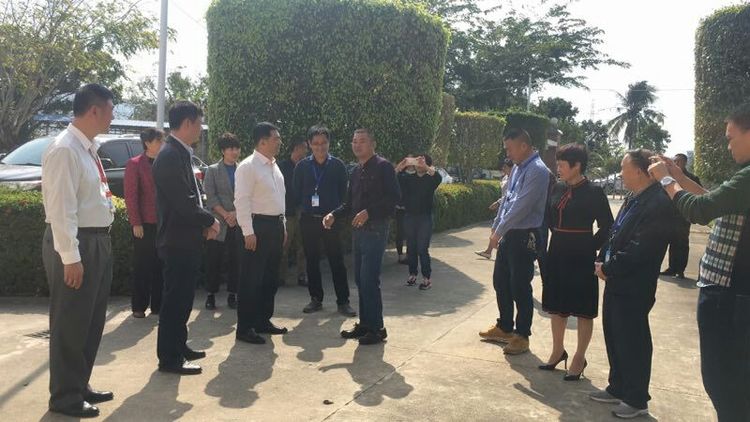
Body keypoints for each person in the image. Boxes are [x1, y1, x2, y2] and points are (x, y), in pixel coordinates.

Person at [648, 103, 750, 421]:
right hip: (731, 294)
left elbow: (699, 210)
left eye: (731, 137)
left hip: (728, 295)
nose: (728, 145)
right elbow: (712, 202)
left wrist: (666, 181)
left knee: (723, 381)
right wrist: (678, 176)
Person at [41, 83, 117, 418]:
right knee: (71, 323)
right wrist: (71, 257)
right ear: (94, 110)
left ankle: (79, 383)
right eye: (111, 109)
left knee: (90, 321)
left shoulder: (87, 148)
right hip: (76, 243)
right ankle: (64, 396)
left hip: (96, 240)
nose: (113, 116)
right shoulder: (65, 149)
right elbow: (61, 210)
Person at [589, 149, 674, 419]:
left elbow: (642, 248)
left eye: (623, 168)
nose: (620, 173)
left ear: (639, 171)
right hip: (616, 279)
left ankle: (636, 399)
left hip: (635, 283)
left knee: (632, 340)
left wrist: (610, 267)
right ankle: (618, 386)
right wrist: (603, 258)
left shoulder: (658, 203)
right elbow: (616, 233)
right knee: (615, 334)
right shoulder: (633, 198)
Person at [153, 101, 220, 375]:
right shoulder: (170, 155)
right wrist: (210, 220)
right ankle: (169, 358)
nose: (201, 129)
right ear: (188, 123)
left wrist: (202, 223)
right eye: (199, 123)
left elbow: (193, 197)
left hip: (186, 239)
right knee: (175, 301)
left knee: (183, 300)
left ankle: (179, 346)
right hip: (176, 241)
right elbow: (183, 203)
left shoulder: (180, 153)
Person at [538, 144, 613, 381]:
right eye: (557, 164)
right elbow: (549, 218)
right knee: (556, 305)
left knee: (583, 309)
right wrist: (559, 237)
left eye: (561, 165)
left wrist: (590, 245)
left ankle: (579, 357)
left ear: (577, 165)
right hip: (557, 251)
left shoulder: (594, 192)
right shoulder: (557, 187)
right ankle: (557, 350)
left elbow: (608, 226)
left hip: (582, 254)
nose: (558, 169)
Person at [478, 129, 551, 355]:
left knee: (520, 286)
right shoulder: (518, 168)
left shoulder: (538, 170)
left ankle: (522, 335)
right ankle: (505, 327)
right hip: (510, 232)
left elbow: (521, 206)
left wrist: (499, 232)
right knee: (501, 281)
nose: (507, 154)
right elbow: (507, 201)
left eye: (509, 149)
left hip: (524, 234)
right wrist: (496, 227)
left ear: (523, 146)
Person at [324, 128, 400, 345]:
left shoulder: (384, 167)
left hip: (376, 229)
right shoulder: (356, 171)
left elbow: (394, 198)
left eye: (362, 141)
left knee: (369, 279)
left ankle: (377, 328)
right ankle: (366, 325)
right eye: (354, 141)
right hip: (358, 232)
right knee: (360, 279)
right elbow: (349, 203)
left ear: (373, 144)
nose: (357, 145)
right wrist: (333, 214)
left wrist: (369, 212)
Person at [234, 122, 288, 345]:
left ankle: (262, 320)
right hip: (257, 227)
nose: (279, 142)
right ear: (263, 141)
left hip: (275, 226)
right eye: (276, 138)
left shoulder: (274, 166)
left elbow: (280, 198)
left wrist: (283, 226)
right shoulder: (248, 166)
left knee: (270, 278)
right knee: (251, 280)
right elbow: (242, 200)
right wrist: (248, 232)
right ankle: (245, 327)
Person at [294, 125, 356, 316]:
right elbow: (296, 193)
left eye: (324, 143)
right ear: (309, 144)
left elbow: (345, 196)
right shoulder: (302, 167)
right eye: (316, 143)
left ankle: (343, 301)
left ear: (329, 143)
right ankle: (316, 299)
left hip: (332, 220)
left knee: (337, 261)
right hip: (309, 220)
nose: (320, 147)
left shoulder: (337, 166)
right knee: (311, 260)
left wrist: (335, 214)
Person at [124, 128, 164, 319]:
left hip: (163, 222)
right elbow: (131, 196)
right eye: (158, 141)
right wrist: (136, 222)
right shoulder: (135, 164)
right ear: (147, 143)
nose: (161, 144)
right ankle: (139, 306)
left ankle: (158, 306)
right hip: (144, 223)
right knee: (142, 265)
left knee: (161, 265)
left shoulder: (165, 162)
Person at [203, 133, 243, 310]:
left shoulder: (243, 169)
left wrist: (236, 213)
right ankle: (211, 295)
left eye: (236, 148)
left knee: (236, 260)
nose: (234, 152)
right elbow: (210, 197)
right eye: (230, 148)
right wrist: (226, 214)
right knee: (214, 260)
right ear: (223, 151)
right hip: (218, 222)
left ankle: (233, 294)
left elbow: (247, 196)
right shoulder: (212, 170)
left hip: (238, 221)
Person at [395, 154, 442, 290]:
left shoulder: (430, 180)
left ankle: (426, 278)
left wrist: (425, 166)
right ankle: (412, 274)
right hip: (409, 216)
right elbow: (393, 177)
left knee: (422, 249)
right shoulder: (408, 178)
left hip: (425, 218)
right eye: (417, 161)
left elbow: (438, 177)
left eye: (422, 162)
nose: (419, 164)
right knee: (411, 248)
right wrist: (402, 165)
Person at [659, 152, 702, 279]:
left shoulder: (692, 178)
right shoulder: (669, 177)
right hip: (669, 215)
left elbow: (698, 193)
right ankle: (672, 268)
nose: (676, 163)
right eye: (675, 161)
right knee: (671, 242)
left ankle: (680, 270)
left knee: (682, 243)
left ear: (685, 163)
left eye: (679, 161)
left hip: (683, 216)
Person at [278, 138, 308, 286]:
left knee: (303, 246)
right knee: (284, 245)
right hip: (287, 212)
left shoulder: (306, 166)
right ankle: (280, 277)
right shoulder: (282, 166)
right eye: (304, 147)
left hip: (303, 212)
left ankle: (302, 275)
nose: (306, 151)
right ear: (296, 148)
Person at [475, 158, 514, 259]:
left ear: (511, 168)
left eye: (505, 167)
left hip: (508, 207)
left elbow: (509, 195)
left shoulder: (514, 179)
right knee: (495, 228)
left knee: (501, 230)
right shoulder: (505, 178)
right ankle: (489, 251)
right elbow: (504, 195)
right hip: (502, 206)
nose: (503, 168)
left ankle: (497, 251)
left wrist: (498, 202)